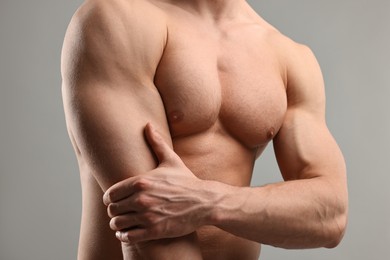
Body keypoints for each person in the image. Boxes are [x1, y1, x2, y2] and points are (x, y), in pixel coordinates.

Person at [61, 0, 348, 259]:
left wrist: (208, 202)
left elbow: (329, 215)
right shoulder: (115, 20)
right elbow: (150, 227)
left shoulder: (291, 57)